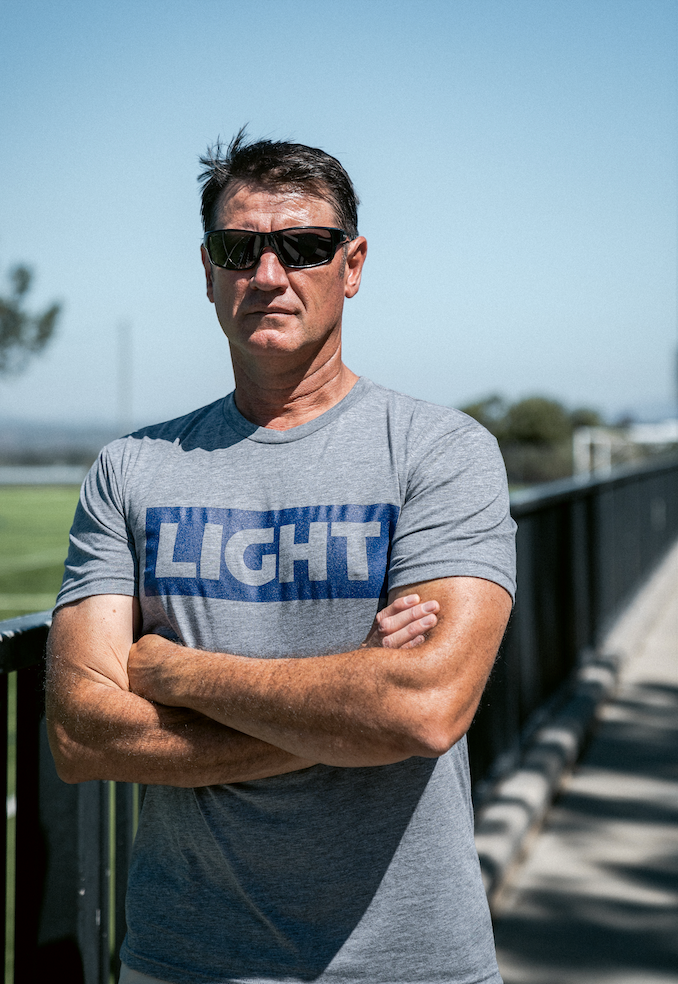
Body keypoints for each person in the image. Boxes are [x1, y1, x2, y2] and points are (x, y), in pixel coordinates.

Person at [46, 131, 516, 984]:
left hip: (411, 964)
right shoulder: (131, 469)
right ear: (207, 270)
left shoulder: (441, 452)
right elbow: (82, 733)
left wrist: (177, 672)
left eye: (304, 247)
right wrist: (349, 715)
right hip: (184, 961)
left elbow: (423, 711)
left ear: (353, 265)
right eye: (239, 249)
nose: (268, 274)